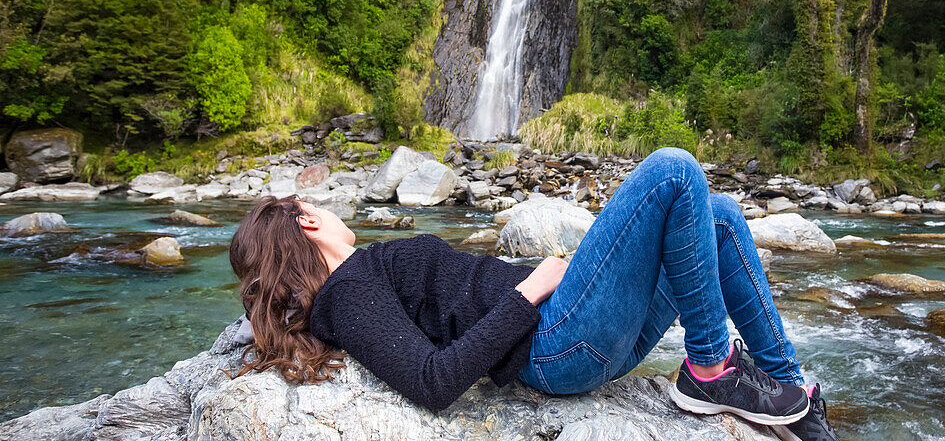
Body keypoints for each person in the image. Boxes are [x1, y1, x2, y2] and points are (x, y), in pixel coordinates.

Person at [228, 146, 838, 440]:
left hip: (572, 324)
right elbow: (434, 382)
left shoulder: (359, 276)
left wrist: (541, 284)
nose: (331, 211)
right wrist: (530, 289)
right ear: (307, 224)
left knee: (721, 213)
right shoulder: (349, 293)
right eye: (319, 206)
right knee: (674, 170)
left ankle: (798, 408)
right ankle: (709, 369)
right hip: (556, 344)